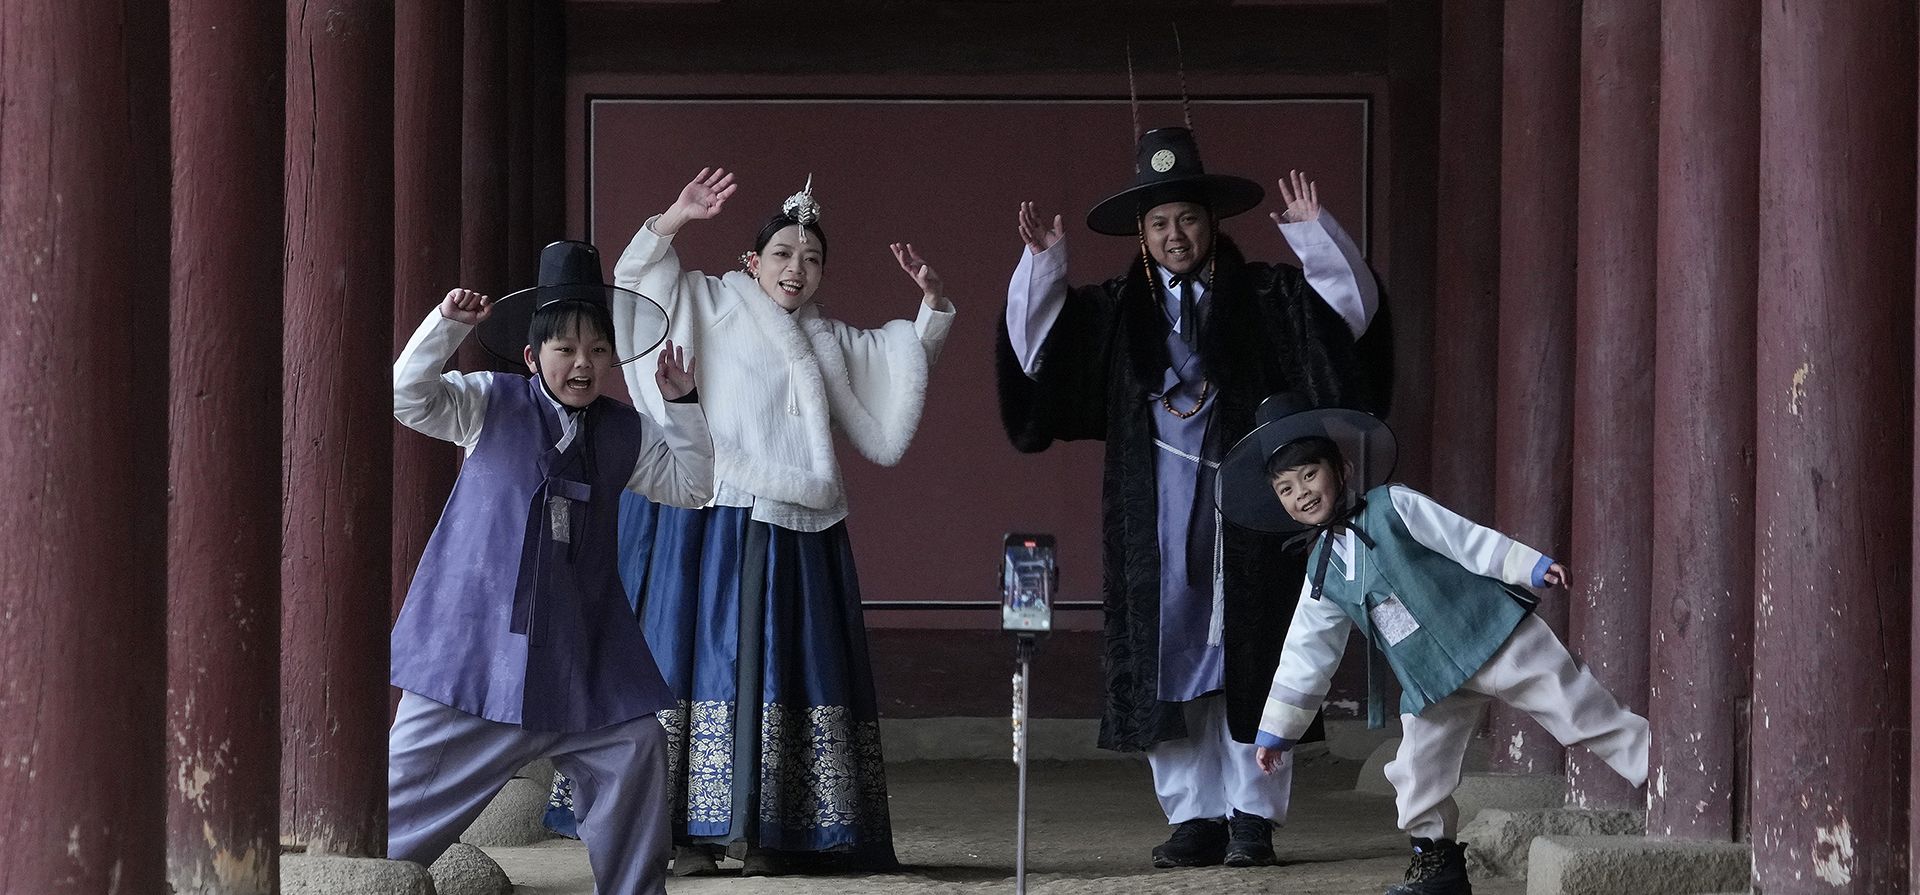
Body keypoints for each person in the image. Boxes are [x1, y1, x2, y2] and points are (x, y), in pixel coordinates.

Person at [996, 125, 1390, 868]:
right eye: (1159, 223)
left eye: (1187, 218)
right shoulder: (1117, 308)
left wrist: (1315, 238)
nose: (1174, 235)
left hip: (1249, 506)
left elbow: (1349, 319)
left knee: (1252, 651)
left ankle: (1252, 813)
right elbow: (1037, 351)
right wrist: (1043, 265)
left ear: (1212, 223)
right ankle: (1195, 814)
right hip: (1154, 505)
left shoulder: (1268, 295)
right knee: (1168, 653)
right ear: (1142, 234)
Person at [547, 169, 956, 876]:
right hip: (710, 515)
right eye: (783, 254)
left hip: (799, 524)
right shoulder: (710, 300)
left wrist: (932, 304)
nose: (797, 268)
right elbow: (640, 284)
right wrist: (675, 217)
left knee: (789, 666)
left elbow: (897, 367)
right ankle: (681, 834)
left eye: (812, 258)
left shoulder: (826, 339)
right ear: (752, 261)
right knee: (691, 661)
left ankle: (779, 830)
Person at [385, 240, 715, 895]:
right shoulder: (489, 402)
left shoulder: (624, 431)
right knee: (393, 825)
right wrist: (445, 327)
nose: (583, 363)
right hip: (475, 659)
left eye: (598, 348)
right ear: (534, 356)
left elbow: (693, 485)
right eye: (565, 348)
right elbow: (406, 396)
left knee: (637, 747)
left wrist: (683, 406)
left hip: (583, 662)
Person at [1223, 395, 1649, 895]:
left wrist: (1527, 565)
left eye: (1309, 475)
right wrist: (1278, 730)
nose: (1302, 494)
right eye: (1286, 489)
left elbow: (1464, 539)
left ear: (1342, 468)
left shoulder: (1393, 506)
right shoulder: (1321, 570)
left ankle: (1667, 778)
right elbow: (1307, 652)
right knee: (1416, 770)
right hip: (1428, 678)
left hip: (1494, 634)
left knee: (1580, 710)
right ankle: (1438, 866)